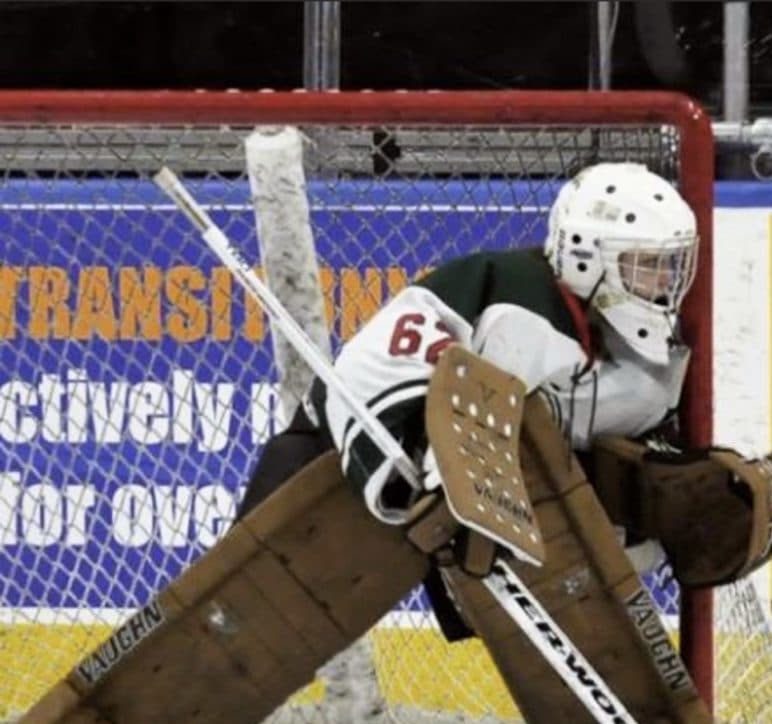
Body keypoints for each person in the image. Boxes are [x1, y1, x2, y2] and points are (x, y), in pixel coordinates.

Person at [241, 161, 699, 540]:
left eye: (668, 266)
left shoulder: (592, 331)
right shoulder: (519, 305)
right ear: (585, 255)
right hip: (323, 464)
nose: (664, 283)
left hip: (389, 481)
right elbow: (380, 378)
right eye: (647, 265)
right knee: (225, 619)